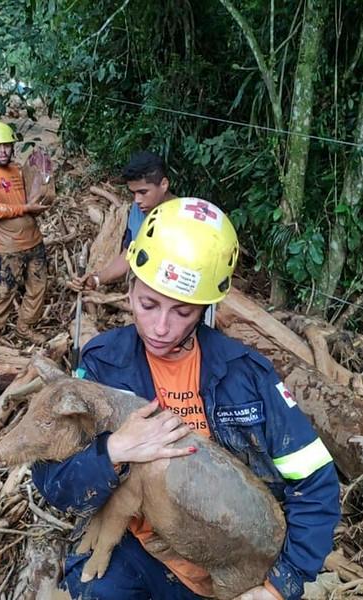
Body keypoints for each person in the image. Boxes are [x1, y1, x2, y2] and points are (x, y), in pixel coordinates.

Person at [33, 198, 341, 600]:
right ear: (129, 289)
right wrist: (112, 450)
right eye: (148, 305)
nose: (161, 327)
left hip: (232, 555)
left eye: (182, 312)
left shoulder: (246, 376)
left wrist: (281, 584)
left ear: (204, 309)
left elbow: (315, 481)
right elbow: (53, 481)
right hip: (137, 546)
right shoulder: (104, 366)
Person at [0, 122, 50, 344]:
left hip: (34, 241)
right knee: (4, 290)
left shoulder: (18, 169)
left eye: (7, 145)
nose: (3, 151)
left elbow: (32, 199)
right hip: (9, 247)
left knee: (38, 289)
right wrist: (26, 209)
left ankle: (25, 328)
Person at [68, 150, 175, 292]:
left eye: (143, 192)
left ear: (163, 184)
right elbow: (129, 254)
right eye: (133, 193)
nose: (137, 200)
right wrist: (96, 279)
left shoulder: (186, 218)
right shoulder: (137, 212)